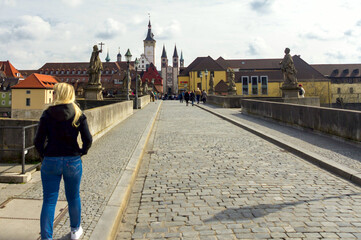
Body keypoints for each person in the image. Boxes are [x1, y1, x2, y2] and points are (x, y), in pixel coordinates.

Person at [34, 83, 92, 240]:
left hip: (51, 160)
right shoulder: (78, 113)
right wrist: (81, 152)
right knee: (73, 197)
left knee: (49, 201)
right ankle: (75, 231)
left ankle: (46, 237)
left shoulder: (47, 114)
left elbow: (38, 141)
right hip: (72, 160)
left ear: (57, 94)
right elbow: (88, 139)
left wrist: (44, 155)